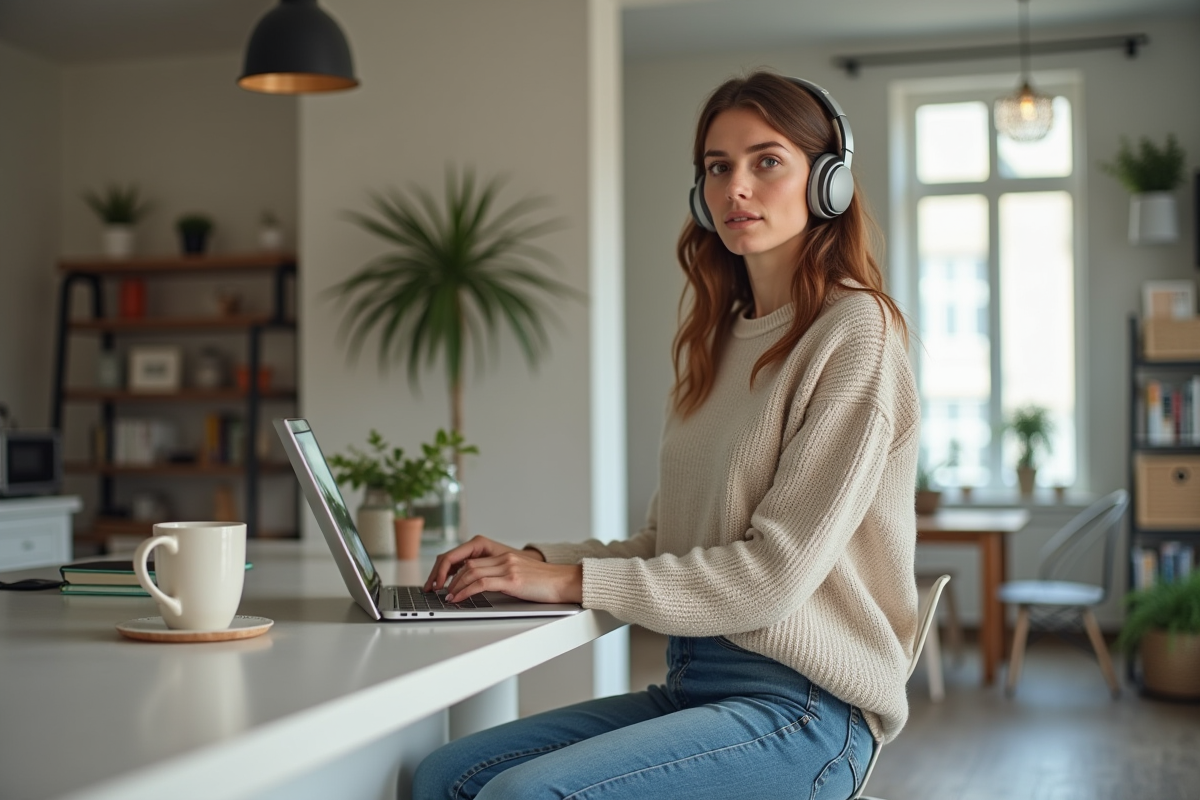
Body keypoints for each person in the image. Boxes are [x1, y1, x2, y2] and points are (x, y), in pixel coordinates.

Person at [412, 70, 920, 800]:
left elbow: (771, 576)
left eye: (766, 160)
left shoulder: (855, 333)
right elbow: (669, 548)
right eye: (718, 167)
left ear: (828, 182)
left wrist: (568, 581)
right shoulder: (717, 343)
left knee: (522, 797)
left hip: (805, 709)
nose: (735, 187)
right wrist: (529, 562)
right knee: (444, 775)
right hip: (695, 684)